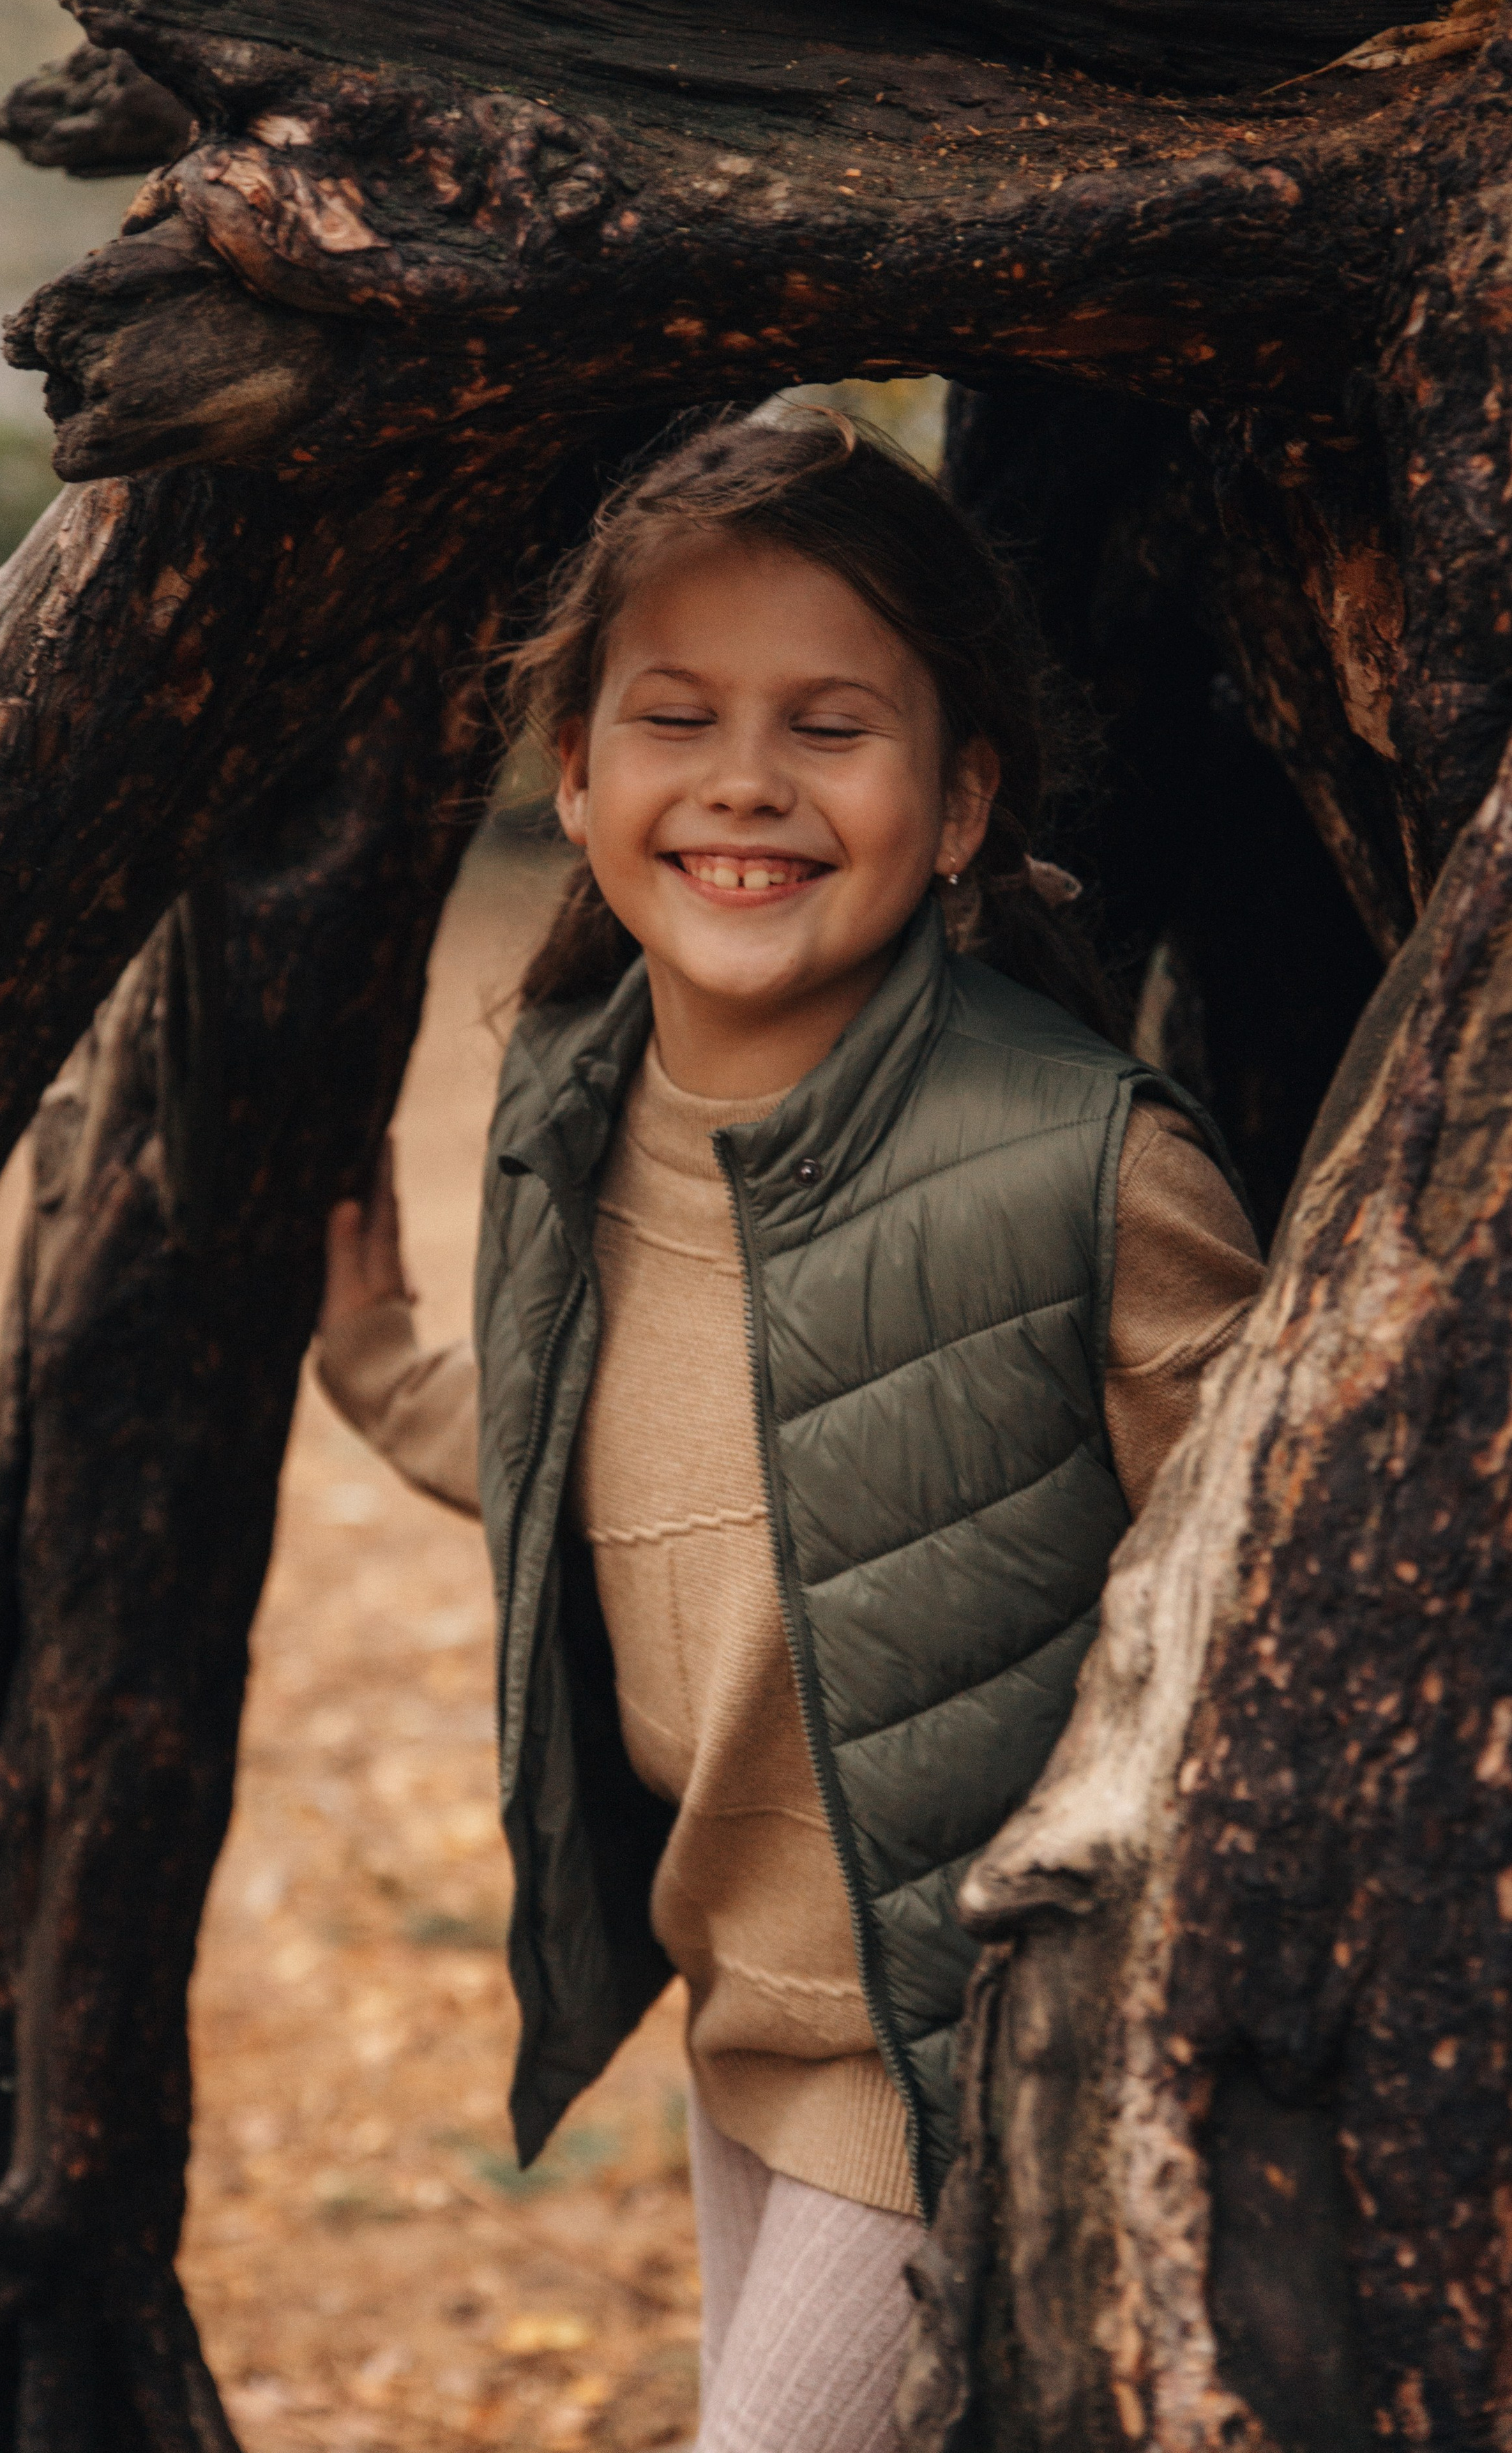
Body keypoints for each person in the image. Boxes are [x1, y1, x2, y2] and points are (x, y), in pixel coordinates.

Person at [310, 407, 1262, 2453]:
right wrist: (385, 1366)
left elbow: (1288, 1586)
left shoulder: (1081, 1171)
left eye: (832, 726)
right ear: (574, 776)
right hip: (739, 2013)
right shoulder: (580, 1105)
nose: (746, 780)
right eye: (676, 716)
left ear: (960, 797)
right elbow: (636, 1461)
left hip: (963, 2052)